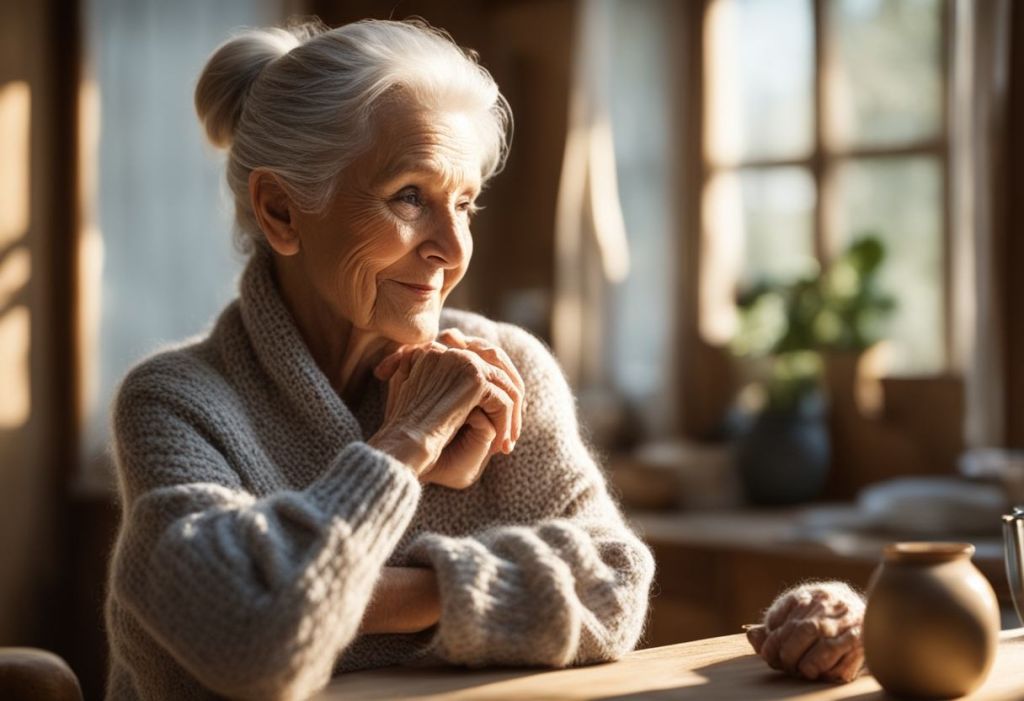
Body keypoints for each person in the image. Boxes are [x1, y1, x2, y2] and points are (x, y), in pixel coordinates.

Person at [103, 17, 865, 700]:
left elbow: (615, 589)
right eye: (409, 196)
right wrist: (406, 447)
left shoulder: (507, 365)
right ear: (280, 211)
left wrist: (377, 589)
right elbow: (254, 643)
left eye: (464, 202)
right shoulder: (176, 403)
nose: (453, 248)